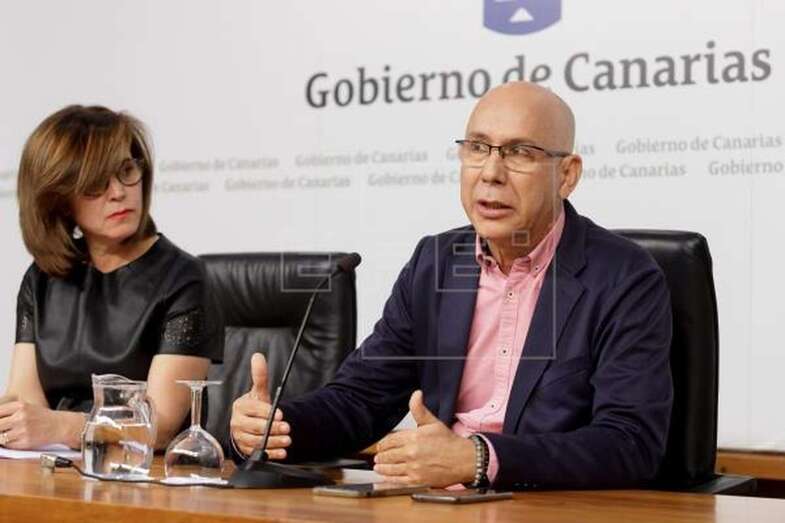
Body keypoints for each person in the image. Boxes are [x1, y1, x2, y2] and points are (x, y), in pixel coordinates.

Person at [230, 82, 673, 489]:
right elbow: (361, 400)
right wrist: (277, 425)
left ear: (567, 175)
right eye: (478, 148)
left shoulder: (624, 278)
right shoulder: (436, 264)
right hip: (433, 505)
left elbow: (629, 443)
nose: (491, 173)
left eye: (519, 152)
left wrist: (479, 458)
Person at [0, 105, 223, 451]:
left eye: (126, 171)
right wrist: (20, 423)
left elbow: (160, 426)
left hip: (142, 478)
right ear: (59, 201)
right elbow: (24, 400)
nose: (118, 192)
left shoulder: (184, 279)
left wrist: (59, 426)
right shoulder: (42, 278)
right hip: (55, 471)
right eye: (95, 184)